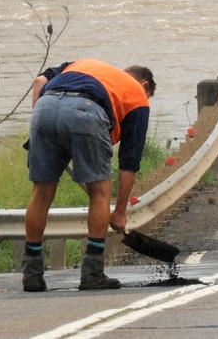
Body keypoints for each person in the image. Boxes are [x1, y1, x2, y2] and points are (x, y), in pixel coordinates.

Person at [22, 58, 155, 292]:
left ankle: (31, 275)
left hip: (44, 107)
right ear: (145, 85)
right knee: (99, 192)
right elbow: (129, 163)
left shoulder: (82, 64)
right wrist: (120, 212)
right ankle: (92, 273)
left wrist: (46, 121)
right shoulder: (138, 95)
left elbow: (39, 81)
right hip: (87, 112)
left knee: (41, 193)